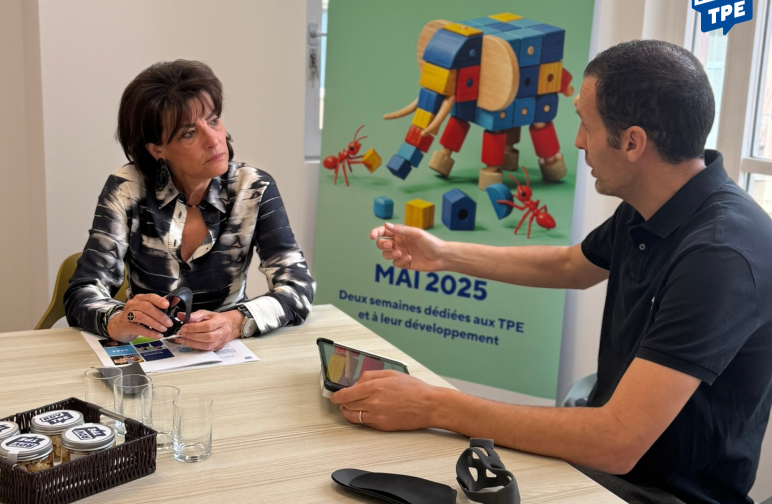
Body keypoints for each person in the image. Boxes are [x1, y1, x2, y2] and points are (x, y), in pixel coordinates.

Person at [332, 41, 772, 504]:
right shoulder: (658, 202)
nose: (578, 142)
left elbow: (617, 440)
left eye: (586, 125)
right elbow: (571, 266)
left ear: (632, 142)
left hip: (659, 492)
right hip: (608, 464)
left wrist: (434, 404)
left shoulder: (720, 255)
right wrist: (443, 255)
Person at [64, 60, 315, 351]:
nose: (214, 140)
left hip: (228, 351)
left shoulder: (253, 188)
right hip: (150, 351)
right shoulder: (127, 189)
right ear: (157, 149)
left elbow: (298, 287)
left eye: (213, 120)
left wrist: (236, 322)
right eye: (189, 133)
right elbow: (82, 292)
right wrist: (118, 319)